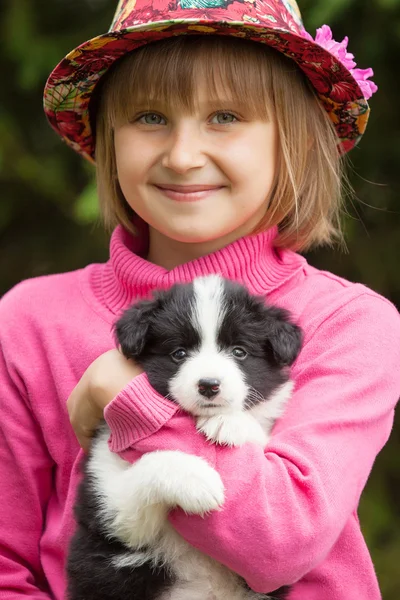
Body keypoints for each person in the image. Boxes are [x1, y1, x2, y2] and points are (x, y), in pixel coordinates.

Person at [1, 0, 399, 598]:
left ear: (293, 141)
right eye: (151, 117)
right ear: (108, 136)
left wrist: (132, 400)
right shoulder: (28, 321)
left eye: (225, 115)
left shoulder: (349, 323)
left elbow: (281, 543)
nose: (183, 155)